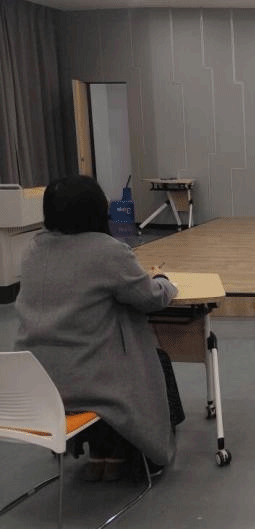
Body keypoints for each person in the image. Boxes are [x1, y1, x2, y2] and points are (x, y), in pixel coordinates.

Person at [15, 175, 180, 481]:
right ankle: (129, 453)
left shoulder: (33, 249)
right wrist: (164, 282)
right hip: (88, 383)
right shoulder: (108, 251)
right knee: (145, 361)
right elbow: (150, 298)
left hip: (36, 386)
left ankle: (99, 452)